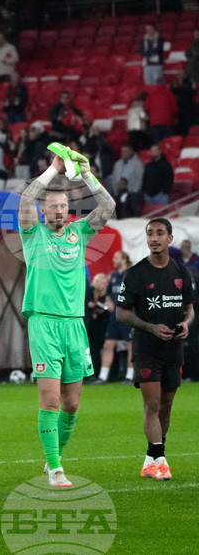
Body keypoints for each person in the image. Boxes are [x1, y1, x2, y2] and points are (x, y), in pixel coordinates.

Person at [18, 146, 115, 487]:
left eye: (62, 206)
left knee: (72, 405)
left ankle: (53, 460)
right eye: (52, 206)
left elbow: (109, 207)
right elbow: (26, 199)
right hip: (44, 322)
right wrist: (53, 170)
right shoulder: (33, 235)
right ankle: (56, 467)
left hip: (75, 325)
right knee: (52, 398)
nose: (58, 210)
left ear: (68, 210)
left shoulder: (80, 233)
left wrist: (86, 174)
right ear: (44, 211)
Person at [116, 218, 194, 481]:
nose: (154, 238)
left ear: (169, 238)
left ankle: (152, 457)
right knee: (151, 403)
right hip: (146, 348)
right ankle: (161, 460)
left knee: (166, 404)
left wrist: (185, 323)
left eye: (160, 233)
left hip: (173, 348)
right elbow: (121, 313)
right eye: (150, 233)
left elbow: (190, 308)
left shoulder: (182, 272)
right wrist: (150, 328)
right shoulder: (136, 274)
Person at [92, 251, 134, 385]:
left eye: (116, 257)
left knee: (130, 345)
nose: (113, 260)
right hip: (114, 316)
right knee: (108, 344)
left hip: (128, 315)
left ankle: (130, 375)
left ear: (123, 259)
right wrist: (110, 306)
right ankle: (103, 377)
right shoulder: (114, 276)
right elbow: (108, 294)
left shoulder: (132, 275)